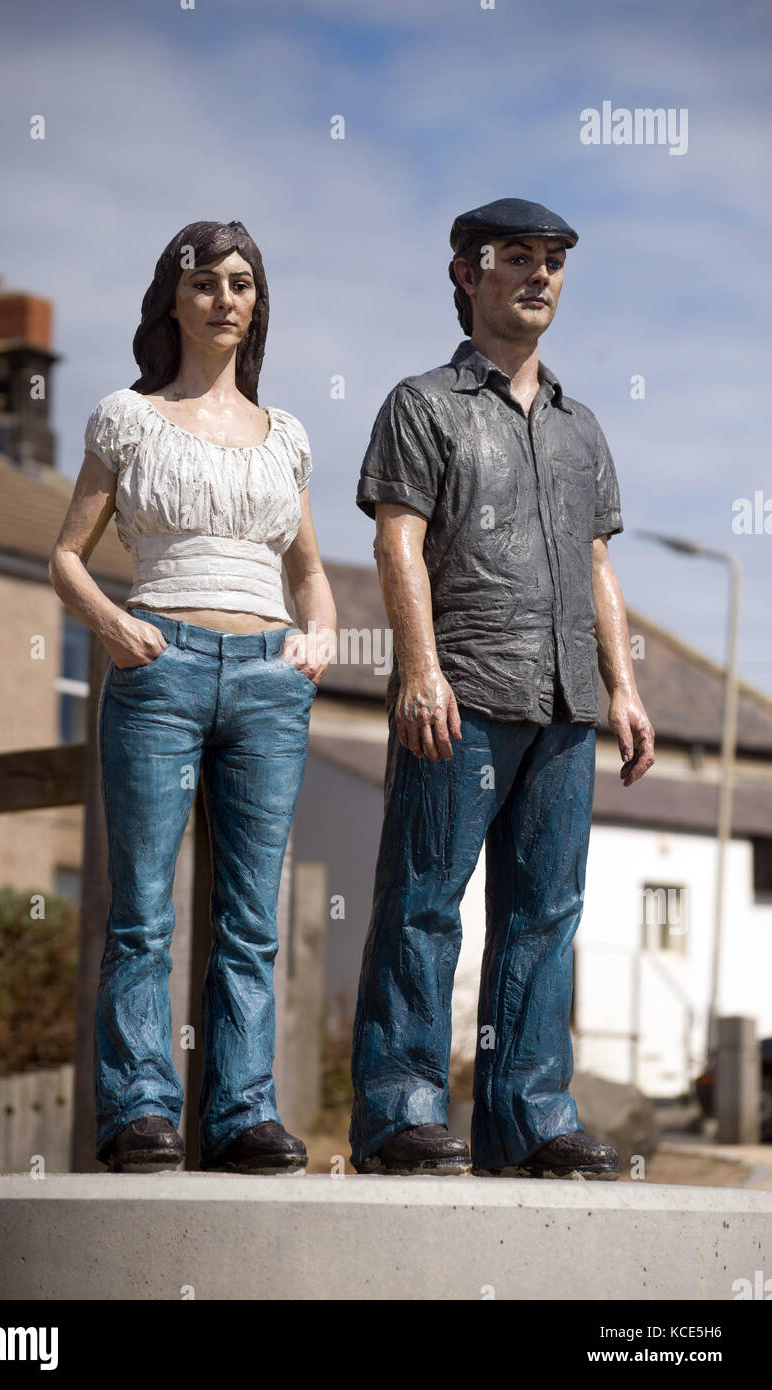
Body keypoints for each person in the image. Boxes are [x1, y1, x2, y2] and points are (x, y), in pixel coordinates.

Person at [350, 198, 655, 1179]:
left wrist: (625, 687)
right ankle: (400, 1113)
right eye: (516, 257)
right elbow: (397, 541)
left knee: (544, 916)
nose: (539, 275)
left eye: (553, 260)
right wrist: (421, 669)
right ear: (466, 275)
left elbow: (596, 563)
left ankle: (528, 1122)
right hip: (462, 697)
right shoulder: (421, 403)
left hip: (566, 709)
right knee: (422, 905)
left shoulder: (581, 426)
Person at [49, 220, 336, 1174]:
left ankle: (243, 1113)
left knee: (250, 917)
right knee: (142, 909)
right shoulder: (126, 419)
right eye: (204, 281)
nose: (224, 297)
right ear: (171, 300)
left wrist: (320, 637)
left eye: (242, 283)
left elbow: (308, 569)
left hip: (267, 680)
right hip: (158, 666)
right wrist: (115, 624)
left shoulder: (284, 435)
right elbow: (65, 555)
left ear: (258, 305)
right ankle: (139, 1111)